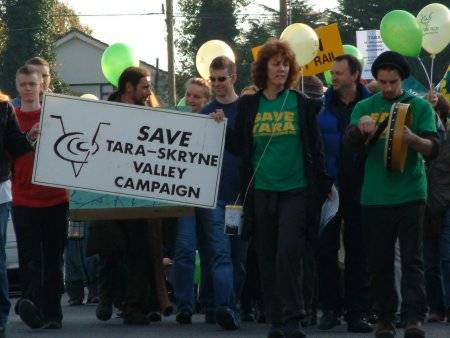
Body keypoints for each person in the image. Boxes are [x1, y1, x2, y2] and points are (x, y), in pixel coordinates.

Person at [211, 39, 331, 338]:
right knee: (266, 255)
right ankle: (276, 319)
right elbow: (239, 146)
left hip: (296, 190)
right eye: (275, 63)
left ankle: (294, 317)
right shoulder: (251, 103)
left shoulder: (302, 103)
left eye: (285, 63)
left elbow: (315, 149)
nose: (281, 68)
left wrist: (322, 183)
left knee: (289, 253)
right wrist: (221, 126)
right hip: (260, 191)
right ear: (264, 67)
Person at [344, 51, 439, 338]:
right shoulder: (364, 106)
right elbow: (349, 144)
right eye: (382, 82)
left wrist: (413, 139)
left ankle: (413, 319)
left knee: (412, 259)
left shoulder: (418, 106)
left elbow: (434, 148)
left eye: (393, 82)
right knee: (379, 260)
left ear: (403, 80)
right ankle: (385, 318)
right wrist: (361, 131)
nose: (387, 87)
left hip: (411, 192)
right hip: (374, 196)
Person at [316, 54, 373, 333]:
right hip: (330, 188)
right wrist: (322, 181)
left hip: (361, 187)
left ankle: (357, 312)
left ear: (355, 75)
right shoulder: (321, 107)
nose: (333, 77)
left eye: (339, 73)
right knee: (325, 249)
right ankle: (329, 308)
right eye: (332, 73)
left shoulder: (371, 106)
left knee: (358, 251)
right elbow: (315, 148)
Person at [12, 65, 69, 330]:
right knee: (30, 259)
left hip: (56, 198)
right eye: (23, 84)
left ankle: (53, 313)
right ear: (17, 86)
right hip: (23, 199)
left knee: (54, 260)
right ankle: (30, 304)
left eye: (32, 84)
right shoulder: (9, 118)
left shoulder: (57, 115)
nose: (27, 89)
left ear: (41, 86)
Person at [199, 56, 249, 331]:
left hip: (241, 196)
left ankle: (235, 304)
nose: (217, 84)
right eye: (213, 78)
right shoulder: (204, 113)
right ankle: (225, 307)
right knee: (220, 254)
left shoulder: (247, 109)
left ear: (233, 78)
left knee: (238, 257)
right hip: (214, 196)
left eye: (222, 78)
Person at [173, 77, 213, 325]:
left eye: (197, 96)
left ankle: (208, 303)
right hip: (184, 196)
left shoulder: (215, 122)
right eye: (188, 95)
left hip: (209, 195)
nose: (191, 100)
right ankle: (185, 305)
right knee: (185, 250)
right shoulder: (175, 121)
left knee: (211, 251)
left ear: (206, 100)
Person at [0, 91, 35, 337]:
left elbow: (17, 145)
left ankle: (0, 316)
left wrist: (29, 137)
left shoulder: (3, 107)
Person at [423, 93, 450, 323]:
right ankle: (436, 308)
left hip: (446, 205)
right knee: (429, 261)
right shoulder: (417, 141)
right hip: (423, 205)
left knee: (446, 257)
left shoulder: (446, 140)